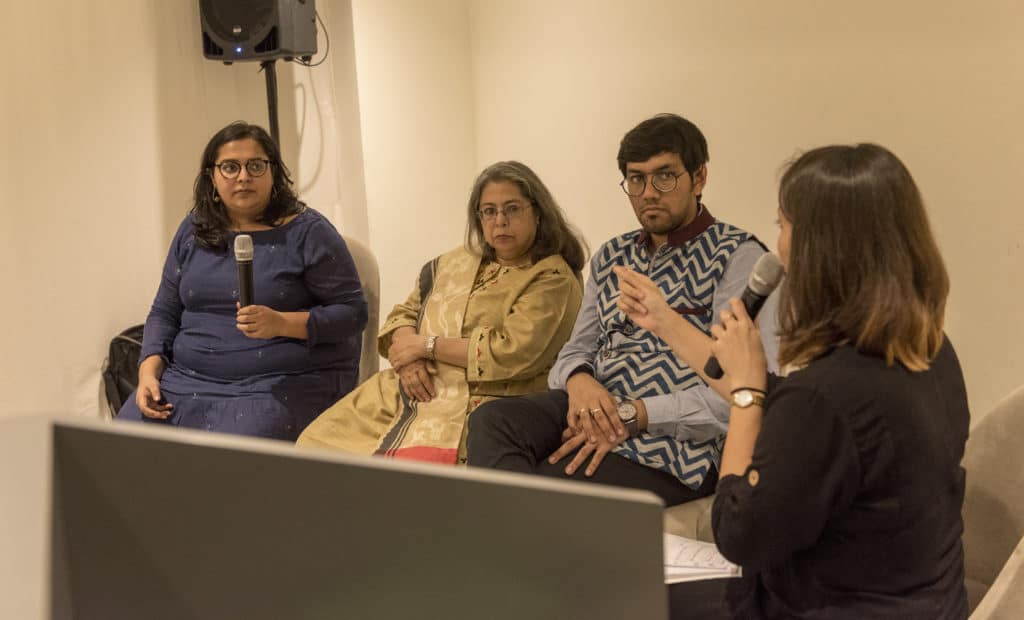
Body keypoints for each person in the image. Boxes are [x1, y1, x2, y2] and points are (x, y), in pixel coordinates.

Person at [622, 144, 968, 618]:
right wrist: (666, 322)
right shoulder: (929, 350)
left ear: (820, 249)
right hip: (924, 600)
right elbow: (782, 403)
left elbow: (737, 533)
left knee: (612, 593)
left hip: (830, 606)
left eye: (783, 224)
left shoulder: (827, 397)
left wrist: (744, 399)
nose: (777, 243)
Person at [467, 114, 778, 506]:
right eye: (636, 179)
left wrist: (634, 414)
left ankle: (518, 539)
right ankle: (521, 535)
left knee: (547, 483)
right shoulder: (612, 256)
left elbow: (739, 393)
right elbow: (573, 353)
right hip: (596, 403)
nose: (649, 192)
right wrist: (581, 383)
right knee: (490, 422)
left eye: (664, 176)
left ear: (699, 179)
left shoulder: (738, 257)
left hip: (675, 439)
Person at [296, 161, 586, 464]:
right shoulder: (454, 263)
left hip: (484, 398)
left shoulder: (551, 278)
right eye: (489, 211)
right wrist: (410, 360)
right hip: (408, 387)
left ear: (537, 213)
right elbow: (404, 315)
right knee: (315, 446)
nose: (500, 220)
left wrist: (426, 346)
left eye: (512, 208)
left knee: (400, 476)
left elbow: (512, 352)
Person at [117, 122, 368, 440]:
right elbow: (164, 311)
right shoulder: (193, 230)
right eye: (230, 167)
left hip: (279, 384)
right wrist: (148, 371)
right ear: (212, 176)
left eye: (256, 165)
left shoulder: (309, 232)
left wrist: (281, 323)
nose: (244, 176)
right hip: (186, 381)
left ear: (273, 172)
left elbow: (353, 314)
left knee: (232, 461)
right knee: (121, 444)